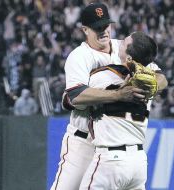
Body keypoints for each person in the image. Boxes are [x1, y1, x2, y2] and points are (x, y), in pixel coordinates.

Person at [51, 3, 166, 190]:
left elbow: (161, 78)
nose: (104, 31)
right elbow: (74, 97)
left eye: (106, 25)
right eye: (98, 28)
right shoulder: (79, 56)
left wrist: (150, 87)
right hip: (84, 141)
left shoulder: (125, 48)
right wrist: (119, 94)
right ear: (85, 30)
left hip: (112, 145)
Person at [79, 32, 167, 190]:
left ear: (129, 58)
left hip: (110, 160)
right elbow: (162, 79)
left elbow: (74, 97)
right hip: (138, 162)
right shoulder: (150, 78)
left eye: (125, 42)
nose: (120, 42)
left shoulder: (102, 76)